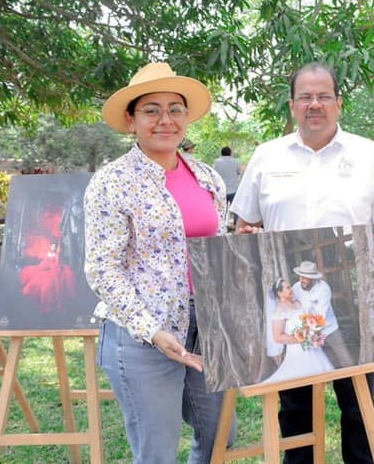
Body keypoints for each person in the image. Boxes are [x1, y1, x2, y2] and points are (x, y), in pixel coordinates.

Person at [232, 62, 374, 464]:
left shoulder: (369, 155)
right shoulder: (266, 156)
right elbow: (244, 224)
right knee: (294, 409)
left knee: (360, 404)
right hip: (289, 298)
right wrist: (245, 236)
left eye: (323, 96)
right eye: (306, 97)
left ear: (338, 103)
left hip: (352, 298)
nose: (315, 105)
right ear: (292, 105)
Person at [83, 62, 235, 463]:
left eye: (175, 109)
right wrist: (151, 330)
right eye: (151, 110)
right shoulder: (112, 182)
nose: (165, 120)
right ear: (131, 120)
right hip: (143, 334)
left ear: (186, 117)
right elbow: (103, 268)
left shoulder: (207, 178)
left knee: (221, 435)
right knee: (158, 452)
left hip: (207, 326)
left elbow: (216, 246)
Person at [263, 278, 333, 383]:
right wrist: (303, 338)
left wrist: (313, 333)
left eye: (290, 286)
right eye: (287, 288)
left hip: (312, 346)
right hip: (297, 350)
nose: (291, 289)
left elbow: (308, 321)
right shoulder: (279, 311)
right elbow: (278, 337)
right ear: (280, 293)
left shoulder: (297, 303)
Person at [291, 261, 353, 368]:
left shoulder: (323, 289)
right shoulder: (296, 287)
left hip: (329, 328)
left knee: (345, 359)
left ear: (313, 278)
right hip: (308, 330)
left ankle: (355, 377)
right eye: (301, 276)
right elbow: (293, 306)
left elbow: (321, 316)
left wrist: (311, 333)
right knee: (319, 362)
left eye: (305, 277)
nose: (302, 280)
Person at [19, 242, 76, 313]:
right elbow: (45, 261)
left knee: (50, 283)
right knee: (35, 276)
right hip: (46, 267)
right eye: (52, 246)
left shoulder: (57, 255)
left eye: (54, 247)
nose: (53, 248)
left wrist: (51, 267)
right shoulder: (49, 253)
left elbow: (57, 263)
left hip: (54, 268)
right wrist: (43, 266)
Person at [212, 146, 241, 224]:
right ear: (230, 153)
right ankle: (236, 225)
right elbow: (239, 172)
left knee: (221, 209)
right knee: (236, 209)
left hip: (221, 190)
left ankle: (222, 225)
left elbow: (214, 174)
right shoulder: (235, 161)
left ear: (221, 153)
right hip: (233, 189)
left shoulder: (216, 162)